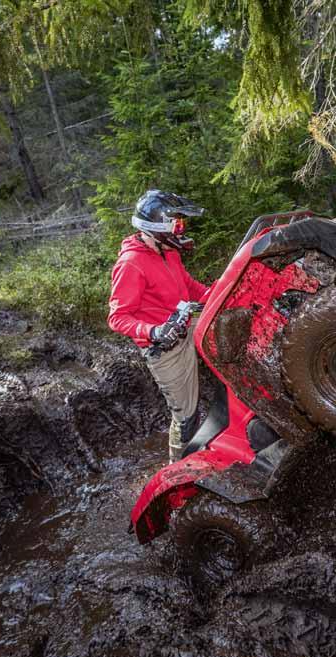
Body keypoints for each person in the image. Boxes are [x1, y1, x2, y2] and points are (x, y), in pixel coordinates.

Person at [108, 190, 208, 462]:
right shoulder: (131, 264)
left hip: (187, 322)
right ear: (157, 227)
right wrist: (153, 331)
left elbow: (188, 286)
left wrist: (219, 293)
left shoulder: (169, 251)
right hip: (164, 346)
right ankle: (178, 470)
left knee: (226, 320)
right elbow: (117, 317)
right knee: (186, 417)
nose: (181, 228)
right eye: (177, 223)